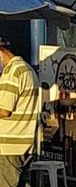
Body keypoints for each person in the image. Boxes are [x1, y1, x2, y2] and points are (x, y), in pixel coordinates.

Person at [0, 37, 39, 187]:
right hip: (25, 142)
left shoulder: (12, 73)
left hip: (8, 145)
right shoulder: (27, 69)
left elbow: (4, 110)